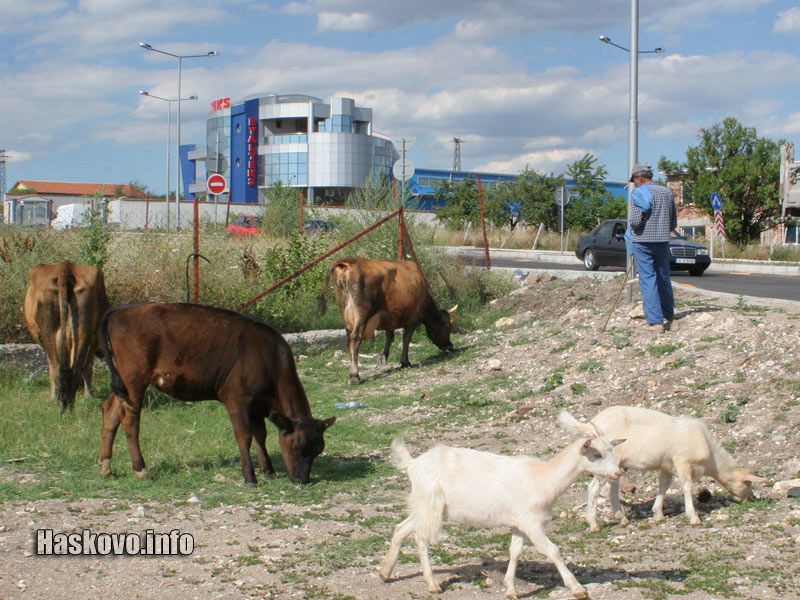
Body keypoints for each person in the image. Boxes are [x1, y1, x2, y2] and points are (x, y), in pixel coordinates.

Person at [628, 162, 677, 333]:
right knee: (663, 276)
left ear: (639, 178)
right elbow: (673, 222)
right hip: (663, 240)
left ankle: (656, 322)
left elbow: (634, 221)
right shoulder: (666, 192)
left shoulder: (639, 193)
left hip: (643, 241)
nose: (634, 183)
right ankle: (668, 313)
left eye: (634, 180)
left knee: (648, 279)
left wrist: (636, 228)